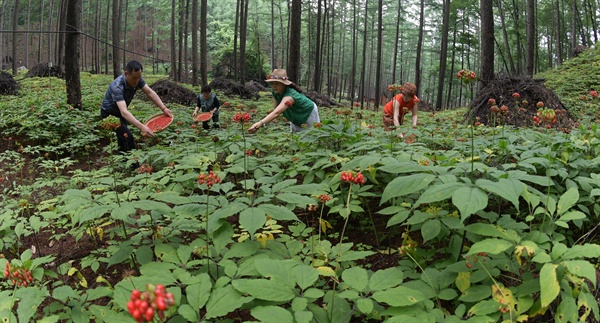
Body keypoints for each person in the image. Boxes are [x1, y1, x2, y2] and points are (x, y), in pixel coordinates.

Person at [100, 60, 173, 152]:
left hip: (119, 113)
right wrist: (142, 127)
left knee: (123, 136)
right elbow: (124, 112)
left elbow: (149, 92)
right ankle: (133, 164)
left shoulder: (138, 79)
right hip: (109, 114)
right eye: (134, 78)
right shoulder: (117, 86)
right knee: (128, 136)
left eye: (139, 77)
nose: (137, 81)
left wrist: (164, 108)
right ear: (126, 74)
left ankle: (122, 158)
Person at [248, 69, 320, 133]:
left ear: (283, 84)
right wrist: (266, 122)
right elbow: (276, 110)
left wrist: (260, 123)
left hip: (308, 111)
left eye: (277, 84)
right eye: (272, 83)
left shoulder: (290, 96)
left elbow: (276, 113)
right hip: (294, 113)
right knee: (295, 134)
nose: (274, 86)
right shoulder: (275, 92)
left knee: (310, 134)